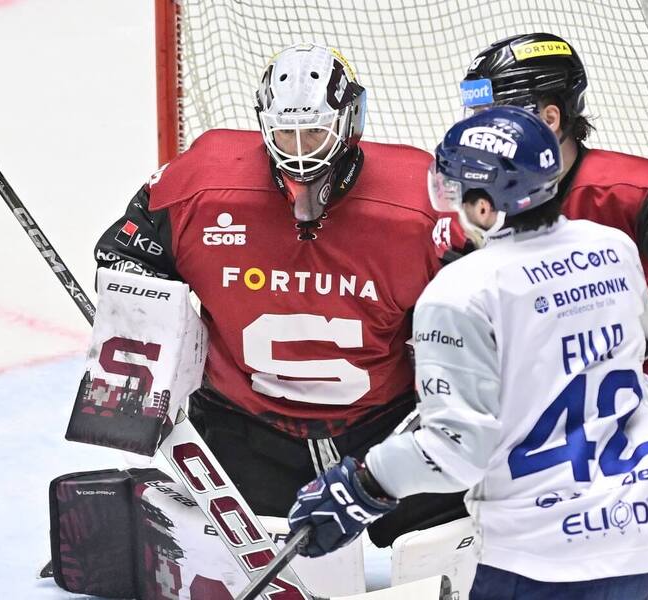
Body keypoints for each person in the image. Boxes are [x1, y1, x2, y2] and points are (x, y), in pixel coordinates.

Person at [288, 105, 648, 600]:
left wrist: (363, 485)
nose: (447, 201)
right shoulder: (612, 246)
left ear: (486, 208)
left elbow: (455, 452)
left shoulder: (461, 291)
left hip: (545, 551)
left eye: (455, 188)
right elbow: (626, 342)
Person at [93, 43, 464, 536]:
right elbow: (123, 258)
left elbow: (483, 301)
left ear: (351, 124)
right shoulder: (199, 186)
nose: (301, 150)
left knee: (458, 543)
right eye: (285, 134)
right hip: (242, 427)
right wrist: (143, 362)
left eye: (314, 131)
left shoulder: (424, 200)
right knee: (202, 552)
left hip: (387, 430)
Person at [452, 33, 648, 597]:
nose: (481, 127)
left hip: (635, 431)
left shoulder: (627, 187)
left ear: (549, 116)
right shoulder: (474, 191)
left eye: (494, 113)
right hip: (518, 439)